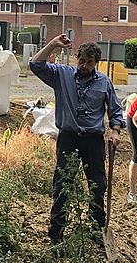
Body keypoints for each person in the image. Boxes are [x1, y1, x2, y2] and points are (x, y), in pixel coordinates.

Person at [29, 34, 124, 246]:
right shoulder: (61, 75)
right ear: (76, 58)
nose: (84, 65)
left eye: (90, 62)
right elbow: (35, 65)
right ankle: (56, 235)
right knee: (62, 185)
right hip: (69, 138)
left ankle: (97, 229)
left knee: (97, 185)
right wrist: (52, 45)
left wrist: (115, 130)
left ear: (96, 63)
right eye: (81, 60)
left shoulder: (104, 83)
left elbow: (116, 110)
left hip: (93, 140)